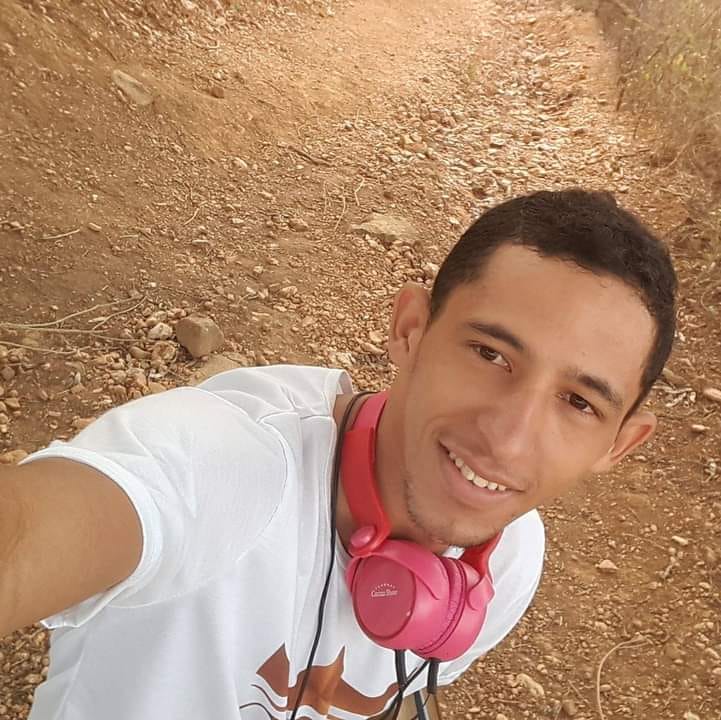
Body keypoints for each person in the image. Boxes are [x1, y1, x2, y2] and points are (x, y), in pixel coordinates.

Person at [0, 188, 677, 720]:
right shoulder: (223, 461)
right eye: (490, 354)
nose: (508, 438)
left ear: (618, 445)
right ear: (410, 331)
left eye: (578, 403)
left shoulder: (511, 560)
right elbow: (30, 531)